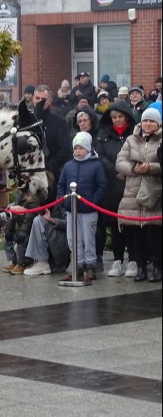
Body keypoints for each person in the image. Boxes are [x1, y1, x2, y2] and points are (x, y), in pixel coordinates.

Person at [115, 108, 162, 282]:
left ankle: (158, 267)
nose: (148, 124)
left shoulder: (161, 140)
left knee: (156, 233)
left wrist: (151, 168)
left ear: (158, 123)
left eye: (152, 121)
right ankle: (140, 267)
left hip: (154, 192)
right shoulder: (131, 139)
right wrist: (134, 169)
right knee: (136, 234)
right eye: (145, 121)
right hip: (133, 192)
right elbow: (120, 162)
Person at [56, 132, 107, 281]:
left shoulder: (96, 165)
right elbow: (61, 184)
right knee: (73, 238)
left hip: (88, 209)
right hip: (71, 209)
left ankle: (90, 265)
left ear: (88, 148)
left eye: (81, 148)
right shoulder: (68, 166)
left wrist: (94, 201)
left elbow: (102, 185)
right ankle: (76, 266)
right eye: (75, 148)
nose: (78, 151)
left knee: (88, 238)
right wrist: (62, 199)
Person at [96, 101, 138, 278]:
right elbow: (100, 155)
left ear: (126, 117)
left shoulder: (135, 134)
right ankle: (117, 260)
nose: (117, 120)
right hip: (112, 183)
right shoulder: (103, 134)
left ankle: (134, 260)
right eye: (114, 117)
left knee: (132, 226)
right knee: (115, 226)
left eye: (120, 117)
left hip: (132, 184)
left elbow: (139, 154)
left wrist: (127, 169)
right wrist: (116, 170)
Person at [22, 171, 70, 276]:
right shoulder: (41, 198)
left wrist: (52, 220)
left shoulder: (63, 197)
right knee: (33, 222)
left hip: (60, 238)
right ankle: (28, 261)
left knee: (38, 221)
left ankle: (42, 262)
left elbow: (69, 223)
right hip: (48, 234)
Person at [32, 85, 73, 178]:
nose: (40, 101)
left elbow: (65, 149)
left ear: (49, 101)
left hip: (51, 174)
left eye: (43, 99)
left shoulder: (59, 122)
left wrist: (49, 167)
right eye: (37, 98)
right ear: (33, 99)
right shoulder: (26, 121)